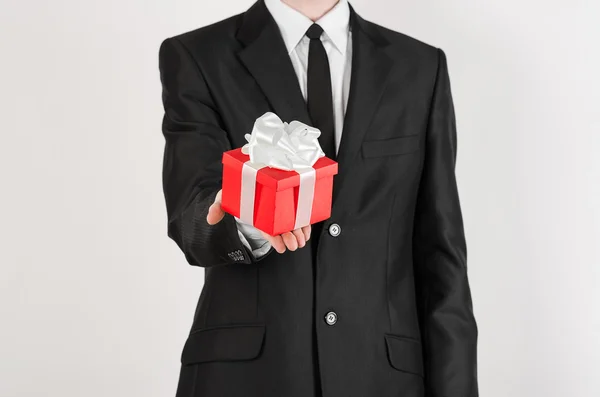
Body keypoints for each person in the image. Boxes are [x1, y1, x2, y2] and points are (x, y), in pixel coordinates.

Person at [158, 0, 478, 396]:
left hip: (381, 377)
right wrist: (247, 218)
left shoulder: (419, 66)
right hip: (245, 378)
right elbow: (191, 217)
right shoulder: (198, 55)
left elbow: (440, 258)